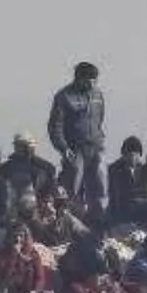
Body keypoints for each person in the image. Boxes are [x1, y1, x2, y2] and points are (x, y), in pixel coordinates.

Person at [48, 62, 107, 215]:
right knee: (73, 183)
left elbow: (100, 118)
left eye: (95, 80)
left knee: (100, 183)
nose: (92, 84)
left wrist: (99, 138)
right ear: (79, 78)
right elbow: (55, 126)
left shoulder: (98, 95)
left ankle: (98, 216)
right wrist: (63, 147)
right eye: (89, 80)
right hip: (75, 148)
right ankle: (71, 215)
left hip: (95, 146)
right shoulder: (64, 96)